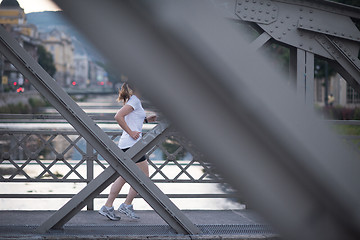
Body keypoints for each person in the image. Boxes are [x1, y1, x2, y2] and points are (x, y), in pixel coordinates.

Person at [99, 82, 156, 221]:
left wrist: (146, 120)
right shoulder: (134, 101)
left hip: (128, 144)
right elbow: (118, 116)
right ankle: (126, 204)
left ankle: (108, 206)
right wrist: (131, 133)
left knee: (124, 176)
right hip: (132, 145)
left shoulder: (134, 101)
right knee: (143, 177)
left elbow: (132, 119)